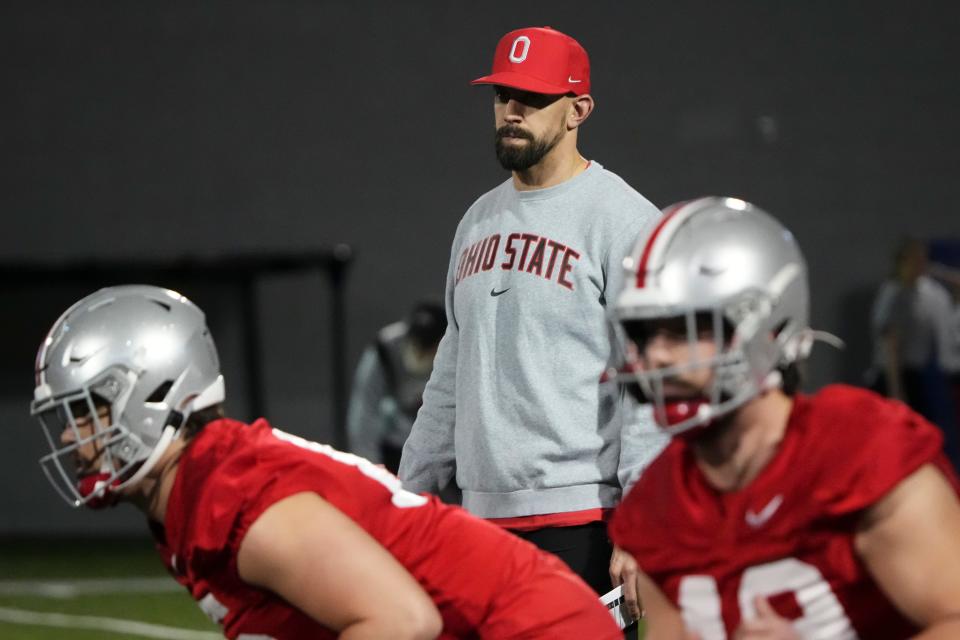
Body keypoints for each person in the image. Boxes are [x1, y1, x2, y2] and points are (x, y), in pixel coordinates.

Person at [30, 285, 622, 640]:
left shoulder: (233, 497)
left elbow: (400, 622)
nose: (76, 439)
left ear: (159, 394)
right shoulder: (192, 492)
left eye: (90, 413)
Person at [604, 197, 960, 639]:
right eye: (644, 333)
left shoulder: (858, 452)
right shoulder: (656, 506)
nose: (657, 354)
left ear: (766, 328)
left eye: (683, 328)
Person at [398, 25, 667, 597]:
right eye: (502, 96)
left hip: (582, 521)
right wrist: (409, 491)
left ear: (578, 110)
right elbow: (452, 372)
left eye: (533, 97)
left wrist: (642, 522)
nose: (512, 110)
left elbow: (651, 384)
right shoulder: (476, 220)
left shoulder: (624, 220)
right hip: (478, 521)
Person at [870, 238, 960, 471]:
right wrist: (896, 390)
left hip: (915, 374)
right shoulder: (894, 294)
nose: (922, 264)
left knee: (922, 434)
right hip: (896, 376)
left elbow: (945, 326)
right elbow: (891, 345)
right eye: (916, 259)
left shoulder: (925, 292)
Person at [347, 301, 446, 473]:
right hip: (395, 443)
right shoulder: (385, 349)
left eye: (427, 347)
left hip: (443, 445)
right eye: (417, 344)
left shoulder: (460, 355)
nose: (420, 352)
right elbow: (364, 413)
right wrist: (371, 471)